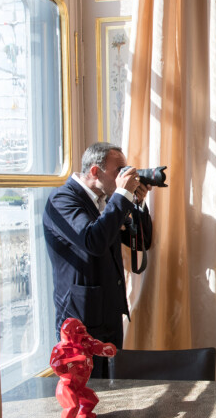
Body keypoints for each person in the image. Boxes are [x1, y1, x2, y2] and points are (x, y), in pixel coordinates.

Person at [43, 142, 153, 377]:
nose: (125, 176)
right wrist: (122, 195)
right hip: (80, 320)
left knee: (112, 391)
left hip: (109, 313)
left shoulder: (105, 200)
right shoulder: (62, 200)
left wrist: (136, 203)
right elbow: (93, 241)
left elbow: (143, 242)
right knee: (86, 389)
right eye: (119, 171)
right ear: (95, 171)